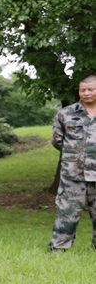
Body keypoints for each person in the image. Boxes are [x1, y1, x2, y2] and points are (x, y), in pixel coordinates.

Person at [48, 74, 96, 251]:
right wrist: (76, 154)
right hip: (73, 174)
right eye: (83, 90)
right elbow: (57, 140)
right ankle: (59, 249)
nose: (86, 93)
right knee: (67, 212)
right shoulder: (66, 113)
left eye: (91, 89)